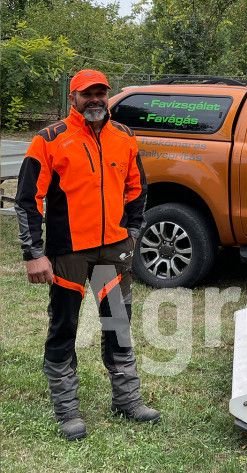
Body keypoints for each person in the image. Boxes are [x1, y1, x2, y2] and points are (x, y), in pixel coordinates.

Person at [15, 69, 160, 441]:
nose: (95, 100)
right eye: (87, 94)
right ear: (73, 99)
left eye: (101, 93)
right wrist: (34, 253)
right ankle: (67, 411)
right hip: (68, 252)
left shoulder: (124, 137)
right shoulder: (48, 140)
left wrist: (132, 229)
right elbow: (28, 199)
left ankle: (127, 400)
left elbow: (137, 187)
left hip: (114, 250)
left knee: (117, 323)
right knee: (64, 326)